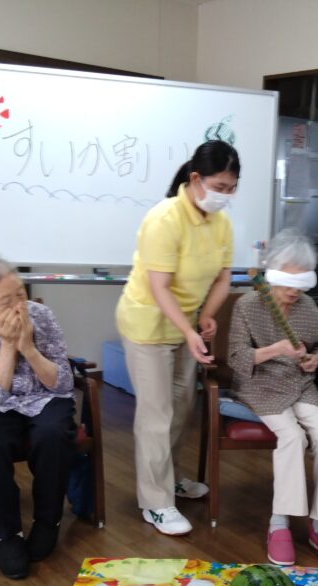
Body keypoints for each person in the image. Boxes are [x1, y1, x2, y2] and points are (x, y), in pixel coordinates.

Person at [116, 140, 239, 535]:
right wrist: (189, 330)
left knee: (181, 408)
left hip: (184, 325)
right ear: (196, 179)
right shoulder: (164, 218)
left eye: (231, 188)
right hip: (148, 324)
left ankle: (169, 479)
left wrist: (205, 316)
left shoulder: (220, 223)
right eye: (219, 186)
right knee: (156, 413)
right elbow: (159, 287)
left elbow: (223, 277)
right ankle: (155, 501)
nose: (224, 195)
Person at [0, 255, 76, 579]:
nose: (19, 305)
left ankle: (48, 522)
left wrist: (30, 348)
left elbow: (63, 382)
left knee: (53, 434)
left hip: (45, 396)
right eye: (6, 301)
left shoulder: (42, 316)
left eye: (20, 293)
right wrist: (8, 346)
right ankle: (7, 535)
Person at [227, 229, 318, 566]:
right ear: (271, 273)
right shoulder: (247, 306)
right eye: (286, 282)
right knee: (292, 436)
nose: (294, 291)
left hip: (299, 383)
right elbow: (237, 359)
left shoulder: (309, 308)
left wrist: (315, 358)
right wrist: (277, 349)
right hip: (259, 385)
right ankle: (279, 522)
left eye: (301, 283)